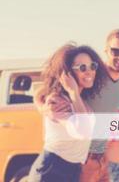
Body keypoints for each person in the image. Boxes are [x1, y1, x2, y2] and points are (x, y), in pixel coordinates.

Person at [35, 29, 119, 182]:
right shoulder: (96, 76)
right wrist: (44, 107)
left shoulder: (118, 80)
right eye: (115, 51)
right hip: (78, 161)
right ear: (106, 51)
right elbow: (42, 92)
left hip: (100, 161)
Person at [29, 43, 107, 182]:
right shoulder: (58, 101)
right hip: (52, 170)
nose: (89, 71)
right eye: (82, 68)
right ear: (68, 73)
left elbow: (39, 92)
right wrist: (73, 92)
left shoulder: (82, 102)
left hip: (73, 170)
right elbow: (82, 131)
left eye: (92, 66)